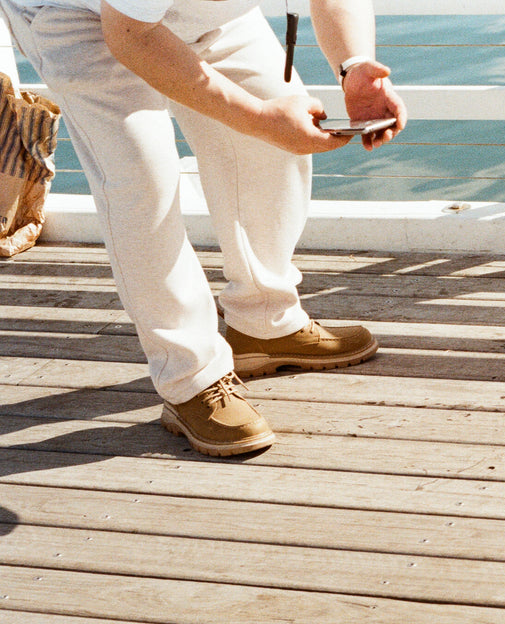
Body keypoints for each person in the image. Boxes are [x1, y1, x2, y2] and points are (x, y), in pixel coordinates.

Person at [0, 0, 407, 456]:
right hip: (84, 16)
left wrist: (353, 65)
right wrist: (258, 119)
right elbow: (131, 35)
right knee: (141, 180)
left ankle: (263, 322)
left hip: (200, 13)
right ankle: (189, 378)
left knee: (272, 145)